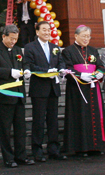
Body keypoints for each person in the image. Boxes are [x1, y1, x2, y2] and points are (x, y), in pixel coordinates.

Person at [0, 25, 34, 168]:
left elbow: (24, 63)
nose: (13, 42)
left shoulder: (18, 50)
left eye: (15, 39)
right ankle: (8, 157)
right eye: (11, 39)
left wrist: (26, 70)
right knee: (5, 129)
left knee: (20, 128)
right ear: (4, 36)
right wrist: (9, 72)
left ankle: (21, 156)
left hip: (19, 94)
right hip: (4, 96)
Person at [62, 25, 105, 156]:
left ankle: (96, 146)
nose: (86, 39)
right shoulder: (68, 51)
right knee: (80, 116)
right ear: (76, 36)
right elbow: (67, 68)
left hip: (93, 88)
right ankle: (81, 148)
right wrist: (80, 75)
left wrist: (99, 72)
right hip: (77, 89)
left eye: (88, 36)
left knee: (95, 114)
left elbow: (100, 65)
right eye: (84, 36)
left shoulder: (93, 50)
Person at [23, 21, 67, 162]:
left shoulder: (55, 47)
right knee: (39, 120)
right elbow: (29, 65)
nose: (47, 32)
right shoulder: (30, 47)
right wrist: (46, 71)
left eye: (49, 30)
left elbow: (60, 62)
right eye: (44, 30)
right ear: (37, 32)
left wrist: (61, 69)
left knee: (53, 120)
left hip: (53, 88)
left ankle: (54, 149)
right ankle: (37, 150)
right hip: (39, 88)